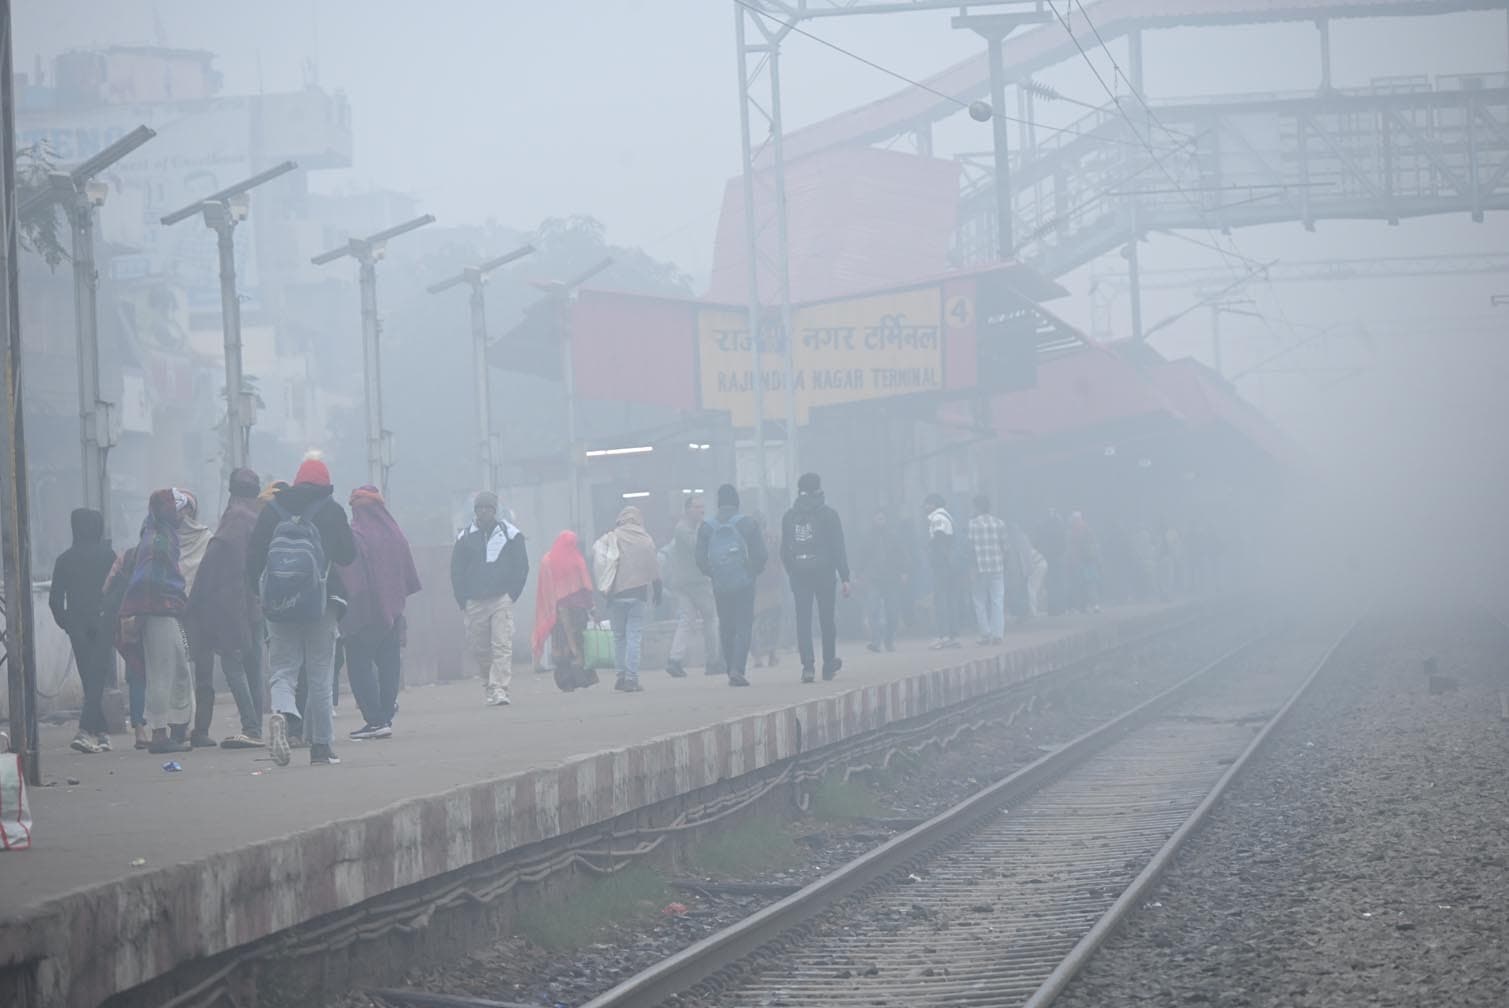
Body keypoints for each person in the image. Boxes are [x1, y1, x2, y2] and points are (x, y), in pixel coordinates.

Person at [247, 455, 356, 767]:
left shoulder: (272, 510)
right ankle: (321, 747)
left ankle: (283, 715)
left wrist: (264, 594)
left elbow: (253, 559)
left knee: (283, 669)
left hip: (278, 604)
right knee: (320, 674)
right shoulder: (331, 510)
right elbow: (349, 555)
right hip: (322, 602)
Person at [187, 468, 266, 748]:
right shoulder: (258, 517)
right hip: (256, 604)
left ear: (232, 491)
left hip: (233, 604)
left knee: (234, 665)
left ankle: (252, 728)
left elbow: (217, 565)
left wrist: (198, 600)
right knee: (254, 666)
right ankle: (256, 725)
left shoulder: (234, 519)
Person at [341, 485, 422, 741]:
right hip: (393, 611)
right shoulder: (395, 534)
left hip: (364, 614)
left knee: (359, 665)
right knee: (389, 664)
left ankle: (374, 720)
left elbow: (350, 578)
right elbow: (406, 574)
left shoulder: (356, 535)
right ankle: (385, 717)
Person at [118, 489, 195, 754]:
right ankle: (160, 734)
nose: (178, 514)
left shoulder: (162, 536)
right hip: (159, 611)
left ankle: (173, 729)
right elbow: (149, 579)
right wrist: (152, 605)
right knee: (162, 674)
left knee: (177, 671)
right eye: (173, 508)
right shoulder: (158, 539)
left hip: (166, 611)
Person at [450, 491, 529, 708]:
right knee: (480, 648)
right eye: (480, 508)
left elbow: (521, 566)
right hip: (474, 602)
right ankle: (489, 683)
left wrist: (512, 594)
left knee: (502, 645)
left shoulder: (511, 534)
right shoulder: (464, 537)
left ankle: (500, 688)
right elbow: (456, 570)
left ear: (495, 511)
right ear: (475, 511)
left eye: (488, 508)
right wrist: (462, 600)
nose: (484, 511)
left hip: (501, 599)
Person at [48, 508, 117, 754]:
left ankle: (96, 731)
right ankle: (93, 731)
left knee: (90, 678)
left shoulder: (64, 560)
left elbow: (55, 601)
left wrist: (68, 624)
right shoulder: (109, 556)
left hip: (78, 626)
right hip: (102, 624)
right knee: (97, 677)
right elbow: (118, 592)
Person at [780, 473, 851, 683]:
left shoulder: (789, 516)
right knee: (826, 618)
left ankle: (808, 667)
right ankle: (828, 664)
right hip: (824, 573)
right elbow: (838, 547)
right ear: (819, 489)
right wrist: (845, 576)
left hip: (799, 575)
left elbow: (784, 550)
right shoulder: (829, 515)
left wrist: (793, 570)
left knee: (803, 619)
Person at [696, 484, 767, 687]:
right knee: (743, 626)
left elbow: (700, 559)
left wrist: (714, 573)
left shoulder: (707, 527)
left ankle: (729, 669)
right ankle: (738, 668)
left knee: (726, 625)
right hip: (744, 584)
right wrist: (751, 572)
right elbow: (761, 555)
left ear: (718, 503)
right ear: (737, 502)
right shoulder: (748, 524)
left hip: (720, 584)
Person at [596, 506, 662, 693]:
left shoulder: (612, 537)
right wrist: (657, 588)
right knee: (634, 636)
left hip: (616, 595)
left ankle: (620, 677)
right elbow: (654, 566)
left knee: (619, 637)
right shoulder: (646, 540)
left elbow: (602, 563)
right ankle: (632, 678)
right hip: (638, 595)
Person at [663, 495, 721, 678]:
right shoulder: (683, 529)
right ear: (687, 510)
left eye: (702, 507)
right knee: (710, 620)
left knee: (687, 621)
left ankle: (675, 659)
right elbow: (698, 547)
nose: (701, 510)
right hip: (695, 583)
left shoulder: (690, 528)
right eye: (697, 507)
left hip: (685, 582)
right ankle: (713, 661)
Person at [533, 530, 598, 692]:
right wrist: (592, 607)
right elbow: (585, 588)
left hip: (557, 614)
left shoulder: (547, 561)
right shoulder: (577, 560)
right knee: (578, 644)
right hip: (577, 612)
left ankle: (566, 681)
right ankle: (581, 678)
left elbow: (544, 589)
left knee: (561, 645)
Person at [855, 507, 908, 653]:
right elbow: (861, 557)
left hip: (891, 579)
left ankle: (889, 639)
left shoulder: (893, 536)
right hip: (873, 579)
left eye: (882, 519)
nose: (880, 521)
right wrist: (858, 574)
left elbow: (901, 555)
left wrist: (904, 572)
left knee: (893, 612)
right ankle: (876, 641)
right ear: (873, 520)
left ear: (886, 520)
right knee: (873, 610)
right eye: (878, 518)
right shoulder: (867, 537)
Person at [967, 495, 1008, 645]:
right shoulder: (999, 523)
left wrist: (971, 568)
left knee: (979, 601)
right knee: (998, 600)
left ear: (977, 507)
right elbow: (1005, 547)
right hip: (997, 567)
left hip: (979, 568)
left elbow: (970, 549)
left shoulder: (972, 524)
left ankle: (985, 634)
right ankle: (998, 635)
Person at [923, 494, 962, 649]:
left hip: (942, 566)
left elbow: (940, 540)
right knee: (950, 599)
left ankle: (943, 636)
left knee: (941, 600)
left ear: (933, 504)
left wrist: (931, 549)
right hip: (949, 566)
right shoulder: (947, 517)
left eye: (927, 504)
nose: (925, 507)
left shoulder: (937, 518)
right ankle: (952, 635)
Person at [750, 512, 784, 668]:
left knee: (757, 621)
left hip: (756, 584)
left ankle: (757, 657)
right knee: (773, 620)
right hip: (773, 583)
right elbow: (780, 557)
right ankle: (772, 655)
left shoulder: (747, 540)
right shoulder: (773, 538)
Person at [1067, 511, 1102, 613]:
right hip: (1086, 560)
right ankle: (1090, 605)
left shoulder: (1075, 532)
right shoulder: (1085, 530)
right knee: (1087, 583)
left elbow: (1073, 548)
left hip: (1085, 561)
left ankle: (1090, 605)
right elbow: (1094, 545)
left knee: (1086, 583)